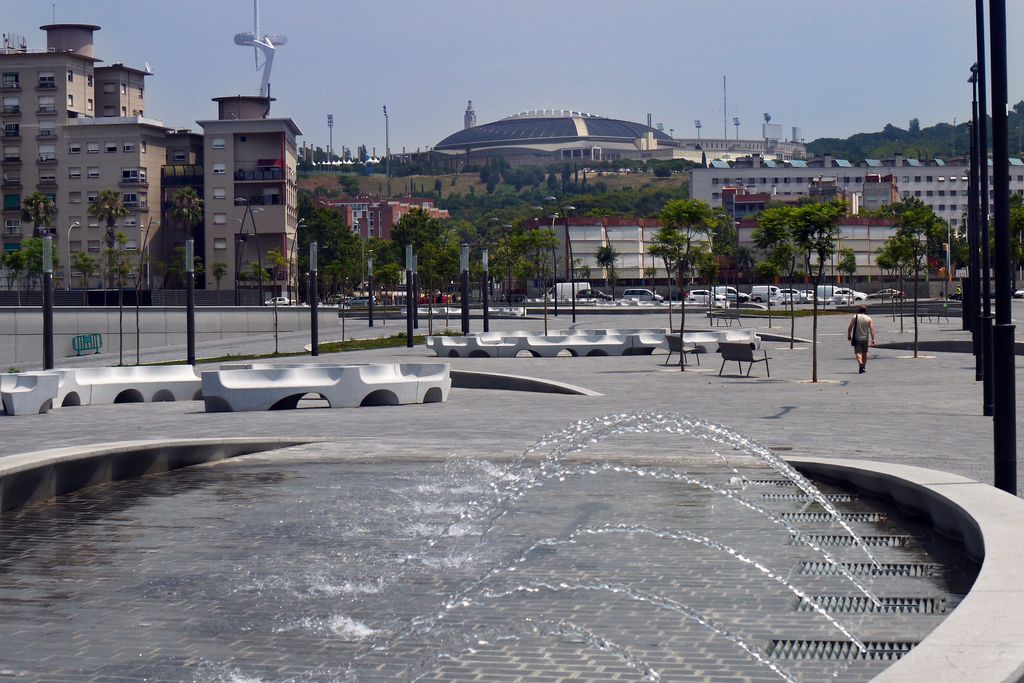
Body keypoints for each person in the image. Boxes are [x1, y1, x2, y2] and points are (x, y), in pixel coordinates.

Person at [847, 305, 877, 374]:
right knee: (864, 353)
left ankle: (860, 363)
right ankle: (863, 367)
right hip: (865, 338)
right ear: (865, 311)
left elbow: (850, 326)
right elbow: (872, 329)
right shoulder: (869, 318)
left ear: (859, 310)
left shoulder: (855, 317)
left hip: (857, 338)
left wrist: (849, 335)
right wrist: (873, 339)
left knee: (858, 353)